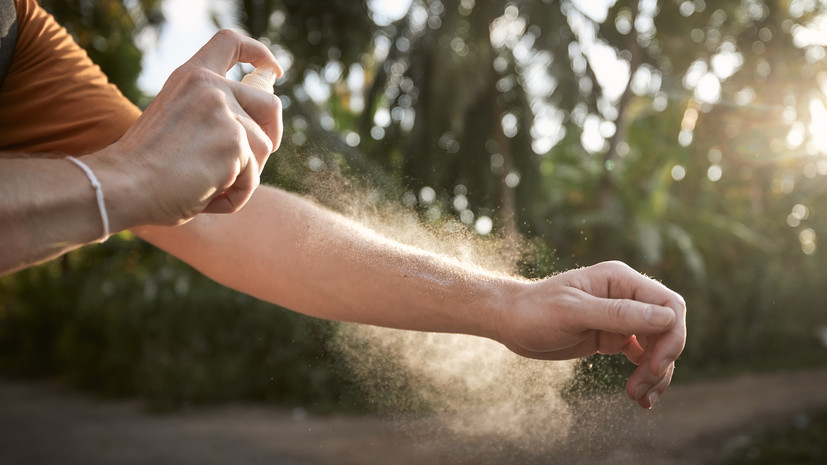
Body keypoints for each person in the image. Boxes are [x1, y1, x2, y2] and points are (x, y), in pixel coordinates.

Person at [0, 0, 685, 410]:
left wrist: (508, 302)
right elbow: (133, 179)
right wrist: (116, 182)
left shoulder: (17, 32)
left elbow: (223, 222)